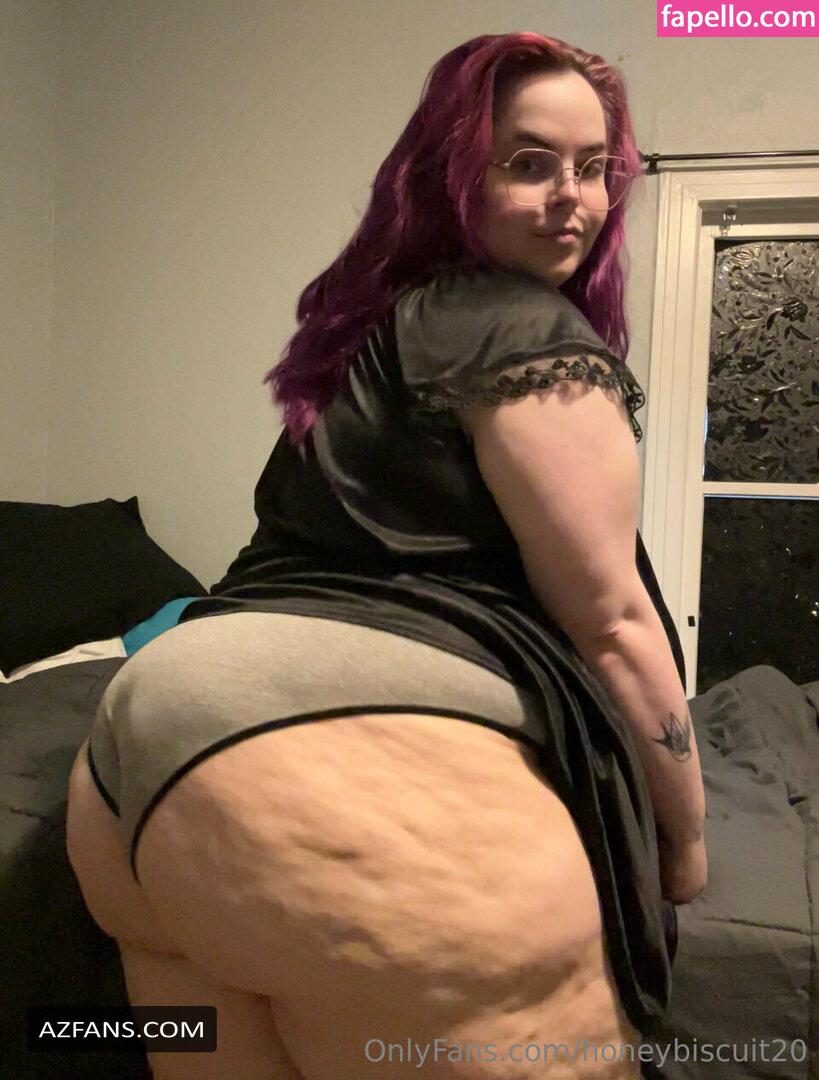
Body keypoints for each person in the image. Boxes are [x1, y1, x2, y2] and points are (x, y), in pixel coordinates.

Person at [66, 31, 707, 1080]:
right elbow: (614, 622)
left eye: (595, 168)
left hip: (136, 769)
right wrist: (685, 845)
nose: (574, 199)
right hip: (321, 767)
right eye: (529, 163)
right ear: (453, 174)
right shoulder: (523, 331)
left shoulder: (363, 339)